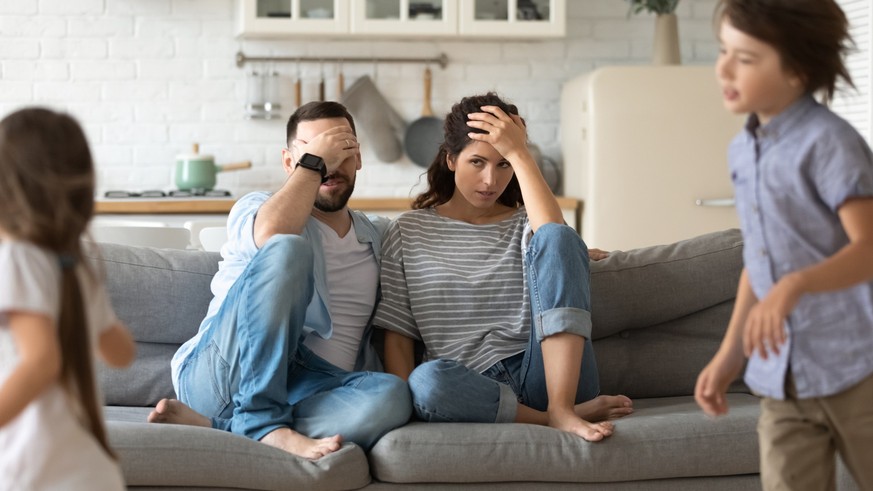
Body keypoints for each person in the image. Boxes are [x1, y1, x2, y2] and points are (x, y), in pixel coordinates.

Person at [154, 101, 412, 460]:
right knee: (287, 249)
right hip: (224, 372)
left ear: (358, 158)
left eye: (341, 149)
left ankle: (228, 427)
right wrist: (315, 162)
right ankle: (262, 421)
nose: (330, 164)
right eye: (314, 151)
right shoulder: (258, 207)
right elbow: (273, 233)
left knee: (393, 396)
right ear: (291, 162)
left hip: (310, 387)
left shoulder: (379, 236)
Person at [373, 93, 633, 442]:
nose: (490, 181)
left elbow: (555, 237)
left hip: (550, 374)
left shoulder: (529, 224)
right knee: (424, 382)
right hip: (470, 387)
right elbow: (398, 334)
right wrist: (401, 412)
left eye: (504, 164)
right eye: (477, 162)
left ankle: (560, 407)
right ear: (451, 160)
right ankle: (550, 419)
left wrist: (520, 151)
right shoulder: (407, 231)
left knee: (559, 237)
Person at [694, 1, 873, 489]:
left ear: (799, 70)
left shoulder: (830, 143)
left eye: (746, 58)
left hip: (857, 370)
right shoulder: (742, 150)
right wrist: (730, 355)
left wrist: (795, 285)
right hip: (782, 381)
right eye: (724, 51)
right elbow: (760, 258)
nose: (724, 68)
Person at [0, 108, 137, 490]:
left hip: (34, 468)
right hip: (90, 470)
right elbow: (121, 352)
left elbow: (41, 360)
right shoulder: (72, 265)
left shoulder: (19, 259)